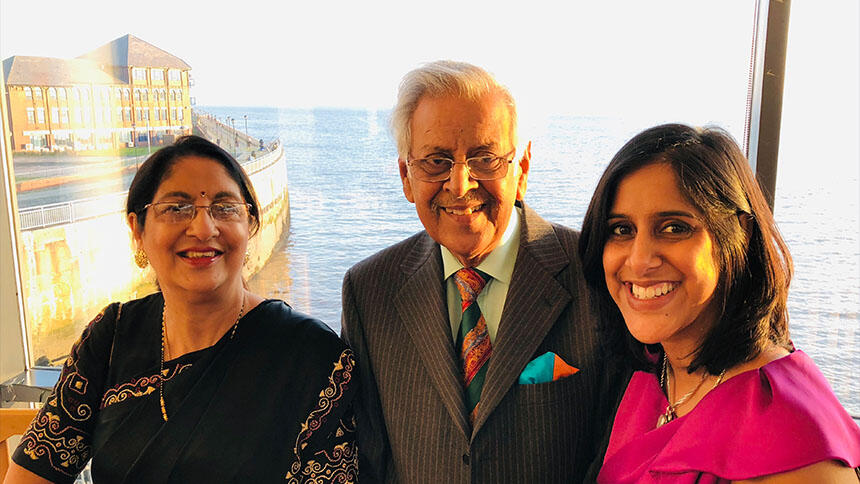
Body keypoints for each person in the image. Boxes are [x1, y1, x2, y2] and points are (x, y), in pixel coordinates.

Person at [6, 136, 357, 483]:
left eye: (224, 208)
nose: (204, 228)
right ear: (137, 230)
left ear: (249, 226)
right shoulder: (112, 337)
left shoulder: (313, 357)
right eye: (177, 208)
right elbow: (30, 475)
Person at [341, 60, 626, 483]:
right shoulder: (370, 291)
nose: (460, 184)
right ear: (406, 175)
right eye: (436, 161)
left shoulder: (595, 274)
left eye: (484, 158)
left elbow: (612, 450)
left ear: (522, 169)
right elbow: (369, 458)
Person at [578, 124, 860, 483]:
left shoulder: (791, 438)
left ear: (738, 237)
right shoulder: (654, 372)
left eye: (674, 227)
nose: (639, 260)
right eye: (621, 229)